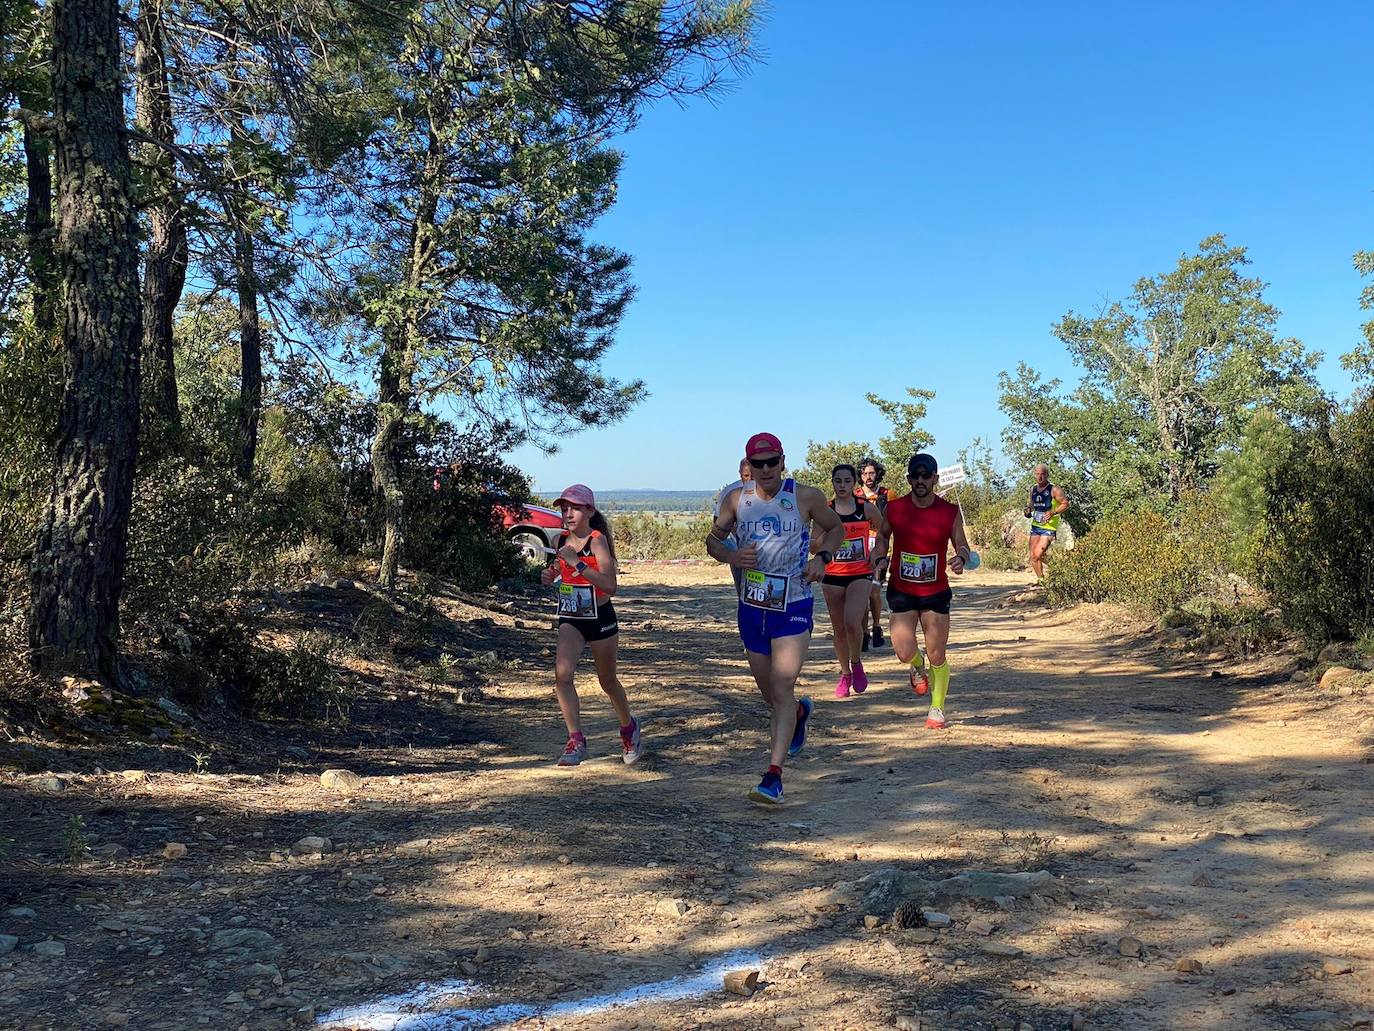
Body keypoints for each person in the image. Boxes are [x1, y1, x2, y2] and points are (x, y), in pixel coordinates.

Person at [706, 433, 846, 804]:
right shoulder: (736, 499)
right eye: (758, 463)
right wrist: (731, 557)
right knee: (771, 694)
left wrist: (823, 559)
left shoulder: (806, 496)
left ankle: (773, 776)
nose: (766, 469)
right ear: (748, 465)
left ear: (783, 461)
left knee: (782, 686)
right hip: (752, 606)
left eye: (772, 462)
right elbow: (713, 541)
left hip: (794, 604)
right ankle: (799, 712)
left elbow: (837, 528)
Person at [539, 484, 643, 767]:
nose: (567, 513)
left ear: (589, 511)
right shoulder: (562, 540)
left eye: (574, 508)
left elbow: (611, 586)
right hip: (572, 618)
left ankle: (629, 728)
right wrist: (551, 573)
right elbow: (562, 567)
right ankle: (575, 739)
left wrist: (580, 565)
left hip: (600, 616)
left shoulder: (597, 541)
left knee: (607, 681)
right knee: (562, 675)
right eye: (563, 508)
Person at [884, 453, 973, 730]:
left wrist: (961, 557)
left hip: (935, 591)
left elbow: (962, 544)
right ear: (909, 478)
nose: (920, 480)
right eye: (916, 475)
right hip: (901, 588)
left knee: (937, 653)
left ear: (935, 478)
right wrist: (877, 557)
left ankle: (937, 709)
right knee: (902, 649)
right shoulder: (895, 508)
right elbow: (881, 539)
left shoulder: (948, 511)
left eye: (926, 475)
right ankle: (916, 664)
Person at [821, 464, 889, 698]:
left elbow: (883, 532)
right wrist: (824, 544)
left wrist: (878, 554)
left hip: (860, 572)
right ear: (832, 482)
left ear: (854, 483)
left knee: (852, 622)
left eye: (846, 481)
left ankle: (857, 663)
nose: (842, 486)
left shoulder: (865, 508)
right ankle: (845, 674)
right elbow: (812, 543)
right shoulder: (825, 510)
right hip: (832, 575)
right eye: (837, 481)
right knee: (839, 629)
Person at [856, 458, 891, 650]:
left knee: (875, 590)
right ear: (860, 476)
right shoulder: (855, 495)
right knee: (862, 591)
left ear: (877, 473)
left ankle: (877, 626)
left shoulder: (887, 494)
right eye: (865, 473)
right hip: (860, 546)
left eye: (871, 473)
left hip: (880, 545)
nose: (869, 477)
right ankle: (864, 632)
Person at [714, 457, 753, 597]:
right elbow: (717, 521)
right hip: (735, 545)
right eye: (746, 476)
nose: (750, 480)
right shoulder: (731, 493)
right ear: (740, 474)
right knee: (742, 588)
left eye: (753, 475)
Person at [1025, 463, 1069, 579]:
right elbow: (1032, 504)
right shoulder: (1033, 489)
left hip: (1048, 528)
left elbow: (1065, 504)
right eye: (1037, 474)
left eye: (1042, 474)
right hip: (1036, 526)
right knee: (1034, 556)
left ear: (1047, 475)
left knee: (1037, 554)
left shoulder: (1054, 489)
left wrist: (1053, 512)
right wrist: (1028, 510)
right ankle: (1042, 581)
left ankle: (1048, 578)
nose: (1040, 477)